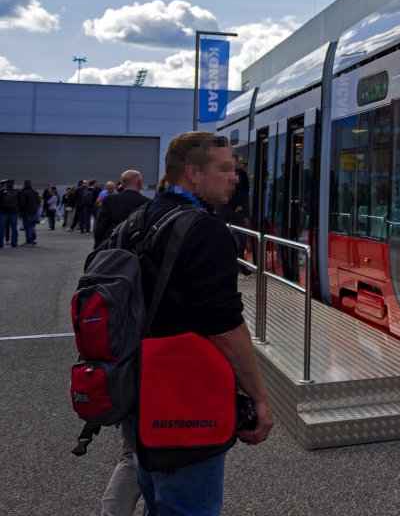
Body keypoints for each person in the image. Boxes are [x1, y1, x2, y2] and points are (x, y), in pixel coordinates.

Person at [130, 132, 273, 515]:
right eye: (224, 169)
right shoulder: (204, 231)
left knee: (158, 501)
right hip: (185, 399)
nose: (235, 179)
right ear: (193, 174)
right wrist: (259, 396)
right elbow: (225, 326)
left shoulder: (139, 219)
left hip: (135, 388)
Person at [93, 170, 151, 248]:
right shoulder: (147, 203)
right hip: (135, 248)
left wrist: (99, 245)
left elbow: (100, 227)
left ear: (122, 183)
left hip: (111, 245)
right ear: (140, 182)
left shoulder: (108, 200)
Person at [18, 179, 40, 246]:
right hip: (34, 212)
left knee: (28, 227)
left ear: (24, 184)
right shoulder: (35, 192)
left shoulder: (23, 192)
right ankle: (34, 239)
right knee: (32, 226)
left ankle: (28, 241)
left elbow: (22, 203)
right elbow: (38, 202)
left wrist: (20, 211)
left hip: (26, 212)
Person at [0, 179, 19, 248]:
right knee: (14, 229)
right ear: (13, 184)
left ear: (6, 184)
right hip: (13, 212)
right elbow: (20, 202)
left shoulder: (1, 192)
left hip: (3, 212)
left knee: (1, 229)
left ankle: (0, 245)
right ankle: (14, 245)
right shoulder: (17, 192)